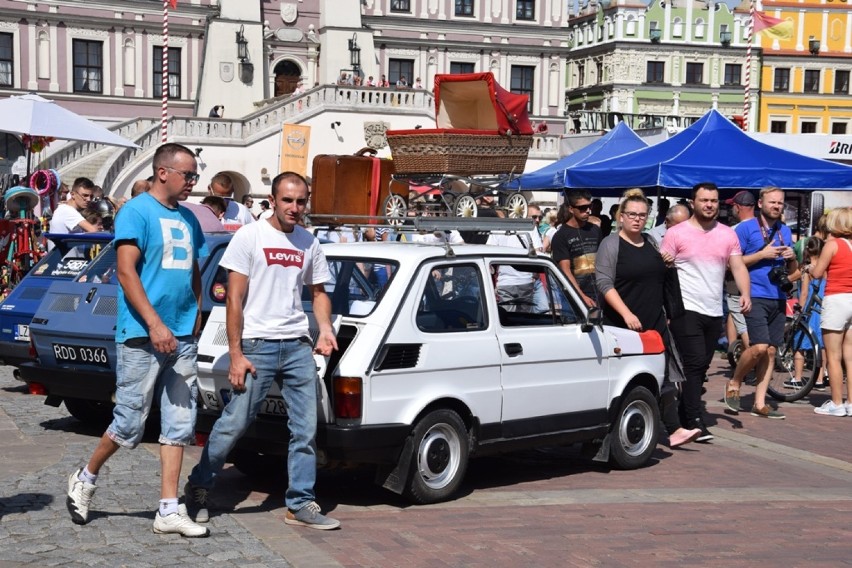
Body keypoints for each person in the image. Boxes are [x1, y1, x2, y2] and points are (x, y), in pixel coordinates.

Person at [65, 143, 209, 537]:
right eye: (188, 175)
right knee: (129, 422)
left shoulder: (189, 218)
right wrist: (155, 323)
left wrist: (195, 311)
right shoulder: (137, 211)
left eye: (195, 175)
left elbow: (193, 268)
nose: (193, 183)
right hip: (142, 335)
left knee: (180, 421)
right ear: (164, 172)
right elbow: (126, 273)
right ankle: (86, 476)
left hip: (181, 335)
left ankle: (167, 509)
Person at [185, 172, 340, 530]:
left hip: (297, 346)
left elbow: (318, 293)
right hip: (257, 345)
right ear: (272, 199)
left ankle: (300, 503)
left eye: (301, 201)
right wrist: (236, 353)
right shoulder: (249, 236)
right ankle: (199, 486)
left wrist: (326, 328)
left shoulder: (308, 242)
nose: (295, 208)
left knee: (305, 430)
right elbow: (234, 299)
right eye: (288, 200)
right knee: (235, 422)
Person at [596, 188, 701, 449]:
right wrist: (626, 314)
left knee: (663, 375)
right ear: (621, 216)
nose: (637, 219)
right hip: (623, 325)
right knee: (629, 380)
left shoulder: (652, 243)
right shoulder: (611, 244)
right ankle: (621, 433)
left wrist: (666, 262)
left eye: (642, 215)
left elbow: (658, 278)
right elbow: (603, 283)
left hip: (654, 323)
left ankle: (674, 429)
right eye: (631, 214)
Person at [662, 182, 751, 442]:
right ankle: (695, 419)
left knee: (701, 367)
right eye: (704, 200)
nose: (709, 205)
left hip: (714, 309)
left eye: (713, 200)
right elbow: (662, 269)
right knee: (694, 362)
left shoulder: (727, 234)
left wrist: (745, 293)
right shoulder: (676, 233)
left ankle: (682, 411)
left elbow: (738, 267)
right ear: (693, 202)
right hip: (685, 308)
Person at [725, 186, 800, 419]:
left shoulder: (785, 231)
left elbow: (792, 271)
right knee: (757, 346)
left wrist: (792, 257)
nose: (777, 206)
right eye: (772, 202)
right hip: (753, 293)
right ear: (760, 204)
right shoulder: (745, 229)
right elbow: (732, 264)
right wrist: (761, 255)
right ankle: (735, 381)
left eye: (780, 203)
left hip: (776, 295)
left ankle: (759, 402)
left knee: (769, 351)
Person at [805, 207, 852, 417]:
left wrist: (808, 268)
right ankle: (851, 402)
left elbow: (817, 273)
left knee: (833, 356)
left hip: (836, 299)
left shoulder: (832, 245)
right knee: (850, 357)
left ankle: (836, 403)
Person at [551, 190, 602, 308]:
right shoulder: (561, 236)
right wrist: (581, 296)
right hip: (574, 296)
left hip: (598, 293)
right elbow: (565, 270)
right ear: (570, 209)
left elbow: (603, 260)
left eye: (590, 206)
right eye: (583, 208)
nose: (588, 211)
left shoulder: (595, 230)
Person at [723, 191, 756, 365]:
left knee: (744, 327)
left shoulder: (735, 231)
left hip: (737, 285)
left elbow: (731, 262)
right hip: (759, 285)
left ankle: (752, 363)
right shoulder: (764, 227)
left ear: (737, 207)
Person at [48, 177, 101, 247]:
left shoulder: (65, 208)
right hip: (67, 257)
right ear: (72, 194)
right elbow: (94, 232)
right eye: (85, 195)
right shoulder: (68, 211)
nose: (88, 199)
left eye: (91, 196)